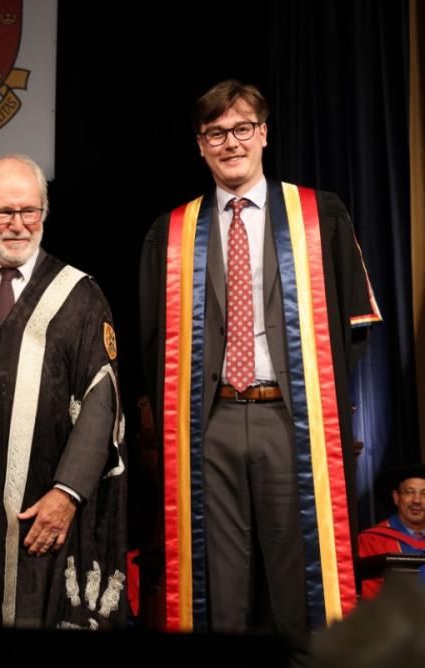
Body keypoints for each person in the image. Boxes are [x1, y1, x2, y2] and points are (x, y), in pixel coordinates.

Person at [139, 81, 382, 645]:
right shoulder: (171, 233)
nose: (231, 142)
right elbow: (155, 343)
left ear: (264, 134)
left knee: (303, 579)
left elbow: (353, 329)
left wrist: (317, 399)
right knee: (215, 587)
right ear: (200, 145)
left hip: (292, 421)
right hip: (210, 424)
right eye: (216, 133)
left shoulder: (320, 216)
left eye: (242, 128)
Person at [0, 155, 127, 629]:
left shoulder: (80, 297)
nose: (17, 224)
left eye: (29, 211)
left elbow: (102, 402)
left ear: (44, 213)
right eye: (3, 212)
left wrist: (67, 493)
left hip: (41, 510)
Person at [358, 465, 425, 599]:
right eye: (409, 492)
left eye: (424, 493)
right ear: (396, 497)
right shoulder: (372, 540)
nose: (417, 500)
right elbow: (371, 599)